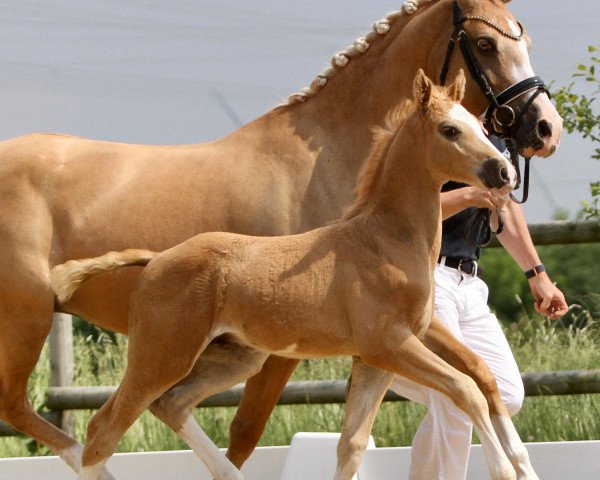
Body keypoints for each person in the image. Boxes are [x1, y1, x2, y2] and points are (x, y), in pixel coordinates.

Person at [388, 136, 569, 480]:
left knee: (506, 395)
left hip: (469, 283)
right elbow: (401, 208)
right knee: (458, 396)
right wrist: (470, 195)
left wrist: (537, 274)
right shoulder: (439, 131)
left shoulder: (496, 139)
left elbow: (506, 207)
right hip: (425, 275)